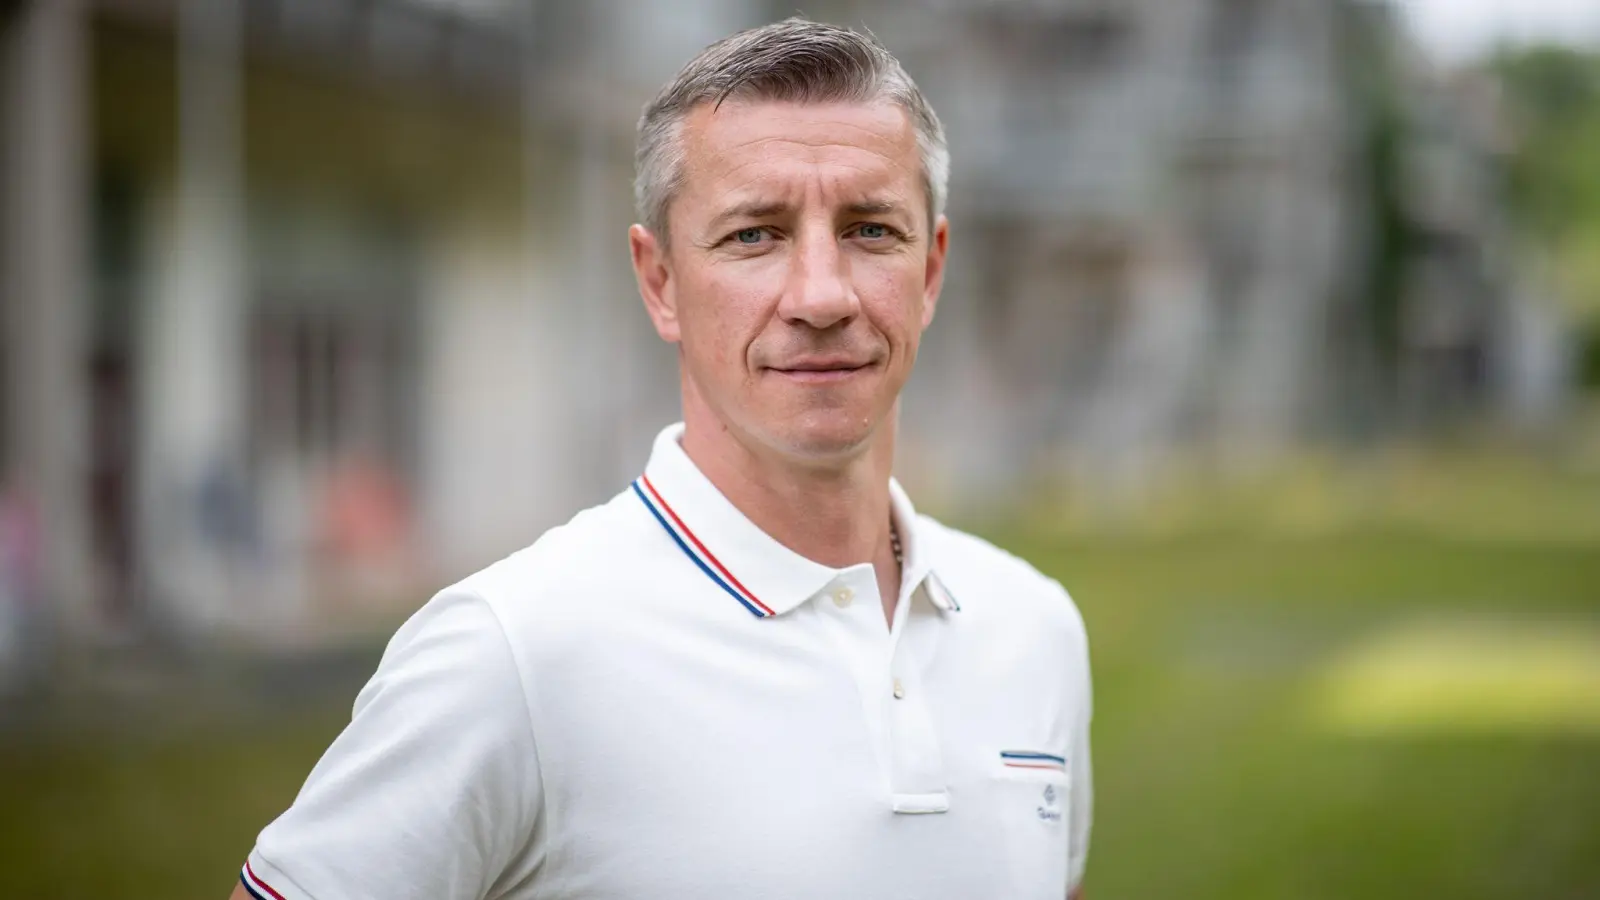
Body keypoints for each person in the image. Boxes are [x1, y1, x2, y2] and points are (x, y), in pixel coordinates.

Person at [232, 17, 1091, 900]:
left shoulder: (1034, 631)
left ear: (933, 270)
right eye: (755, 234)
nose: (822, 294)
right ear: (661, 282)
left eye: (871, 230)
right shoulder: (513, 653)